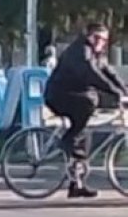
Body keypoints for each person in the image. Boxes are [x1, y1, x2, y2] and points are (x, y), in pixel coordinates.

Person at [44, 23, 128, 198]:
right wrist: (114, 92)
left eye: (104, 40)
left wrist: (124, 91)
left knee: (84, 138)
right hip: (59, 96)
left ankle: (76, 184)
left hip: (75, 96)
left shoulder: (98, 54)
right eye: (97, 38)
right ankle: (67, 139)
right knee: (89, 102)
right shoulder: (81, 51)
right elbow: (91, 74)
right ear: (88, 36)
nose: (101, 43)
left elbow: (109, 73)